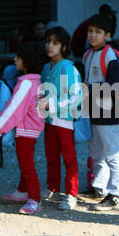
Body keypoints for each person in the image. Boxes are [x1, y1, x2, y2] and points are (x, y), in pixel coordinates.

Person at [0, 42, 46, 214]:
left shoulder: (25, 84)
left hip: (26, 130)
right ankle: (23, 192)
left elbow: (14, 108)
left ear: (26, 61)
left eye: (18, 57)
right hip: (33, 128)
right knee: (26, 162)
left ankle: (35, 199)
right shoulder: (36, 81)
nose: (15, 59)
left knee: (27, 164)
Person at [82, 13, 119, 211]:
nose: (93, 35)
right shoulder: (88, 54)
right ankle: (99, 187)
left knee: (112, 152)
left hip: (108, 111)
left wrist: (89, 89)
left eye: (98, 32)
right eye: (91, 31)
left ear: (107, 34)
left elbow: (118, 86)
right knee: (96, 151)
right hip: (93, 109)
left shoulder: (110, 55)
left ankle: (116, 193)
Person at [39, 26, 82, 210]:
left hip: (64, 119)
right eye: (48, 42)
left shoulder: (68, 68)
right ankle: (53, 187)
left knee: (69, 157)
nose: (50, 46)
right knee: (51, 155)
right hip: (49, 119)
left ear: (64, 46)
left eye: (55, 43)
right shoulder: (45, 67)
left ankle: (72, 194)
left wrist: (52, 104)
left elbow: (76, 96)